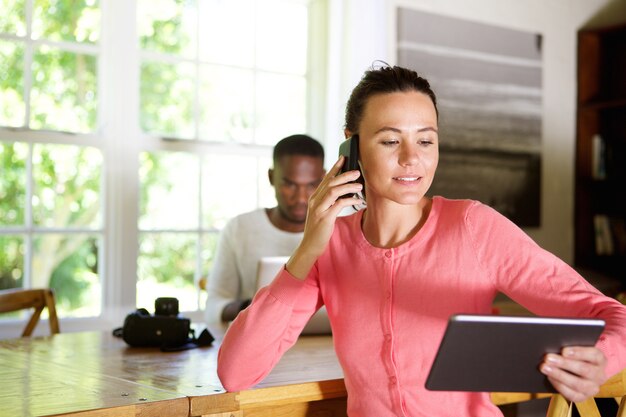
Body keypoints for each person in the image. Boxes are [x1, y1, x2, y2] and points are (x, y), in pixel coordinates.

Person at [216, 64, 626, 416]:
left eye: (426, 140)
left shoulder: (472, 226)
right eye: (391, 140)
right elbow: (236, 371)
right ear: (352, 144)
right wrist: (307, 248)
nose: (412, 158)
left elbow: (612, 314)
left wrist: (602, 360)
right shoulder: (330, 247)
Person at [204, 134, 326, 325]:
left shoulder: (342, 229)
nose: (301, 198)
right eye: (289, 184)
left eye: (311, 185)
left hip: (325, 351)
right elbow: (214, 306)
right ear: (271, 177)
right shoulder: (240, 229)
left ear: (323, 179)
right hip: (258, 347)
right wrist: (251, 307)